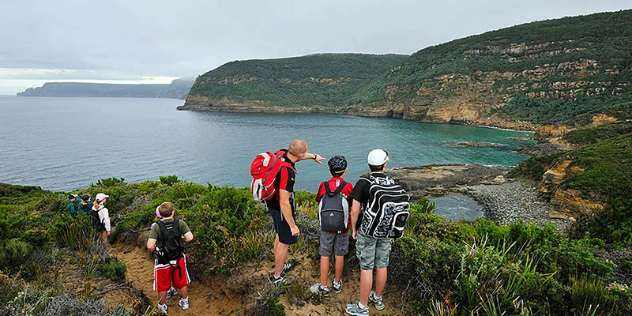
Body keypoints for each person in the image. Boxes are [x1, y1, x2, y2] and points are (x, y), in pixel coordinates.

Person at [267, 139, 324, 284]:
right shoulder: (288, 172)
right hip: (281, 207)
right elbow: (284, 202)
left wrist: (314, 156)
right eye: (304, 154)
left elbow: (298, 155)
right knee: (285, 241)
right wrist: (292, 225)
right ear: (300, 155)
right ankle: (277, 277)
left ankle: (277, 264)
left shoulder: (281, 153)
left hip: (271, 202)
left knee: (279, 234)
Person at [346, 149, 393, 316]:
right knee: (382, 264)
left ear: (368, 165)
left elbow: (355, 210)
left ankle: (362, 307)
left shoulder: (363, 183)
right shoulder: (391, 182)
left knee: (366, 267)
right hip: (386, 231)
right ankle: (378, 298)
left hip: (367, 231)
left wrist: (353, 229)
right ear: (385, 165)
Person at [310, 155, 353, 296]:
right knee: (339, 254)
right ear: (345, 170)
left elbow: (318, 199)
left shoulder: (324, 185)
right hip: (343, 227)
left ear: (329, 169)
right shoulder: (348, 186)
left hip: (327, 226)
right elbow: (352, 203)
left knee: (325, 254)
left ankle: (323, 286)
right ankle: (336, 283)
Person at [147, 202, 194, 313]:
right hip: (178, 257)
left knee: (162, 285)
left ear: (160, 214)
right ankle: (184, 301)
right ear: (173, 212)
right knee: (182, 281)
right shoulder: (180, 223)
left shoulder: (157, 227)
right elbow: (190, 237)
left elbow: (149, 246)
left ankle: (162, 307)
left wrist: (155, 251)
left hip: (162, 260)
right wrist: (182, 239)